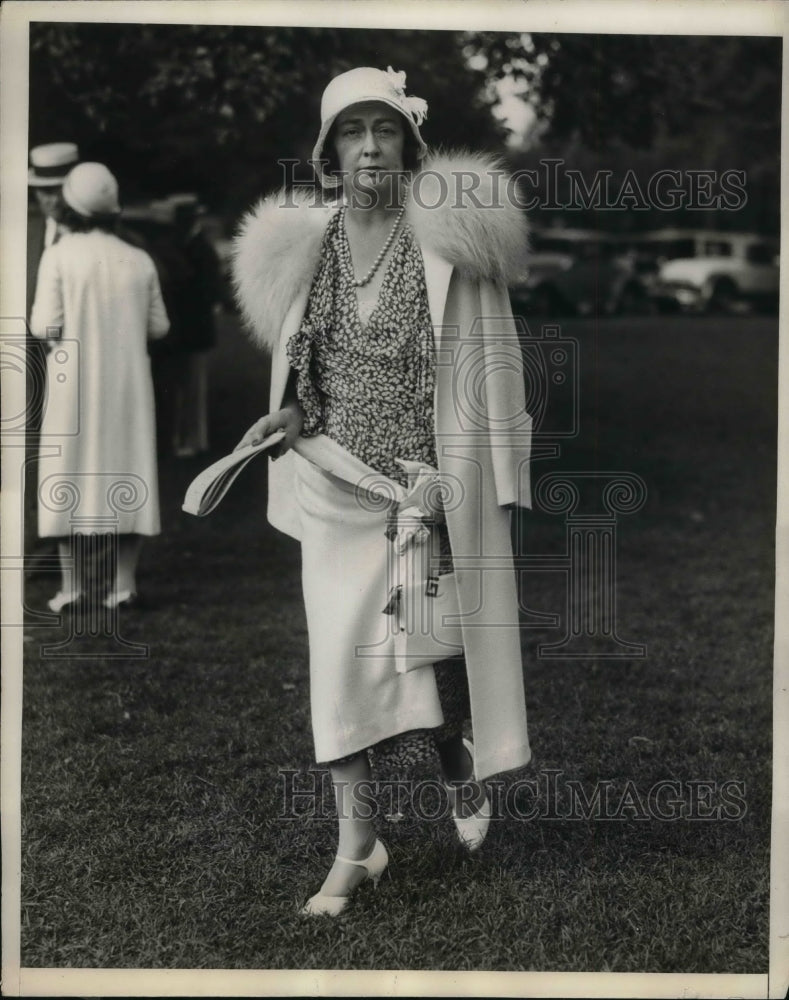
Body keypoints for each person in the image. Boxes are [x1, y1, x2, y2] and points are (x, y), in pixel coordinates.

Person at [232, 66, 532, 915]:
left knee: (423, 662)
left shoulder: (449, 247)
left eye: (385, 130)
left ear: (410, 145)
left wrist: (469, 487)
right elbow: (303, 373)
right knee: (337, 668)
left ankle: (455, 764)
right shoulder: (307, 245)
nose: (369, 146)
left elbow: (490, 380)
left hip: (421, 495)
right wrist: (286, 419)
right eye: (352, 132)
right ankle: (357, 847)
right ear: (327, 151)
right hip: (333, 486)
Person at [30, 162, 170, 611]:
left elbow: (43, 324)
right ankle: (123, 584)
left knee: (66, 472)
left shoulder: (59, 255)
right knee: (126, 468)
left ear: (69, 205)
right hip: (127, 384)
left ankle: (72, 587)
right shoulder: (140, 259)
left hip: (72, 383)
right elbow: (160, 327)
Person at [25, 142, 80, 577]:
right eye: (42, 191)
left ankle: (78, 554)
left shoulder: (105, 242)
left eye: (58, 190)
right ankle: (34, 549)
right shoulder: (21, 237)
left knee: (76, 457)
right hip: (26, 366)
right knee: (26, 455)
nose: (50, 200)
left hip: (80, 367)